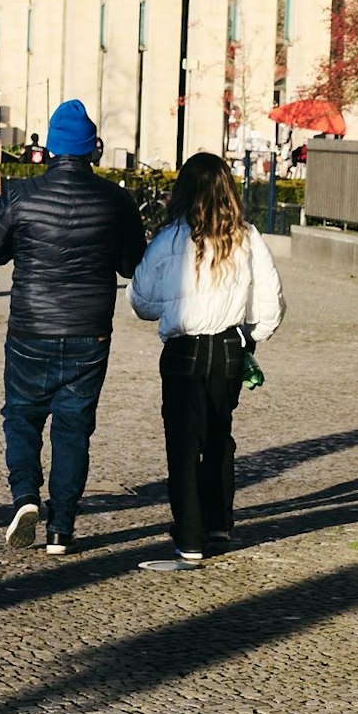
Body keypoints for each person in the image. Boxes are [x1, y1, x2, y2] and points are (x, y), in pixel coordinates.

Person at [0, 99, 147, 556]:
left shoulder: (21, 195)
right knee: (74, 427)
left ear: (49, 149)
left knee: (21, 416)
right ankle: (62, 529)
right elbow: (134, 265)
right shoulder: (116, 200)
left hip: (31, 327)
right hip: (89, 330)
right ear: (93, 150)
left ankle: (26, 496)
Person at [129, 153, 285, 562]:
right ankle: (218, 523)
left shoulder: (170, 239)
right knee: (219, 436)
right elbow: (271, 305)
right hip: (229, 349)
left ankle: (190, 534)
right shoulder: (248, 238)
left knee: (183, 443)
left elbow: (141, 300)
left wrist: (172, 303)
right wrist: (250, 339)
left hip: (183, 349)